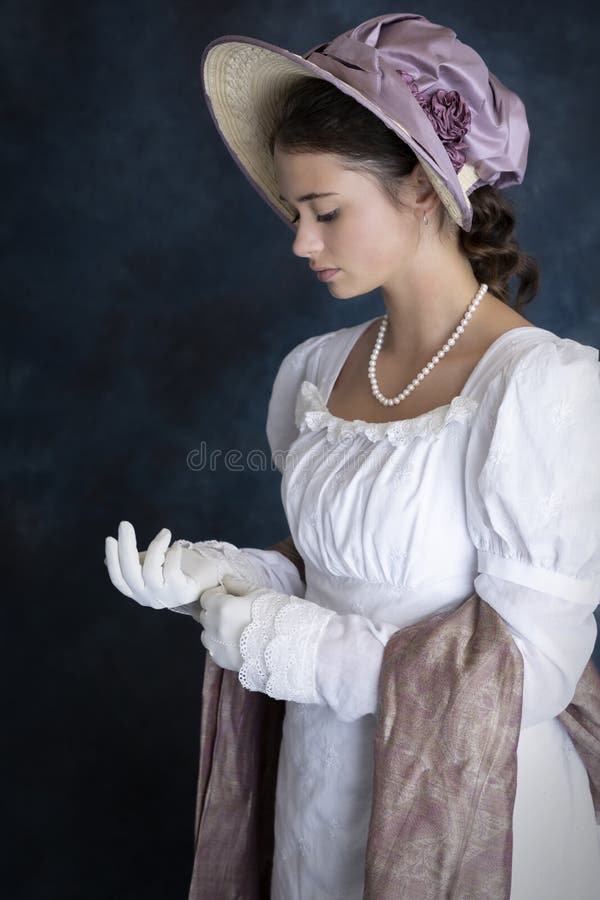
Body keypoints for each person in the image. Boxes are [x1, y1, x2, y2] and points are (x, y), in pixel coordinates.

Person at [105, 13, 600, 899]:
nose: (300, 241)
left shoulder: (545, 390)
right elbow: (342, 572)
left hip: (475, 821)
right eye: (294, 212)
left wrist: (306, 652)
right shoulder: (316, 369)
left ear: (421, 187)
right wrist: (233, 576)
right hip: (318, 790)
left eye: (326, 211)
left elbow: (530, 671)